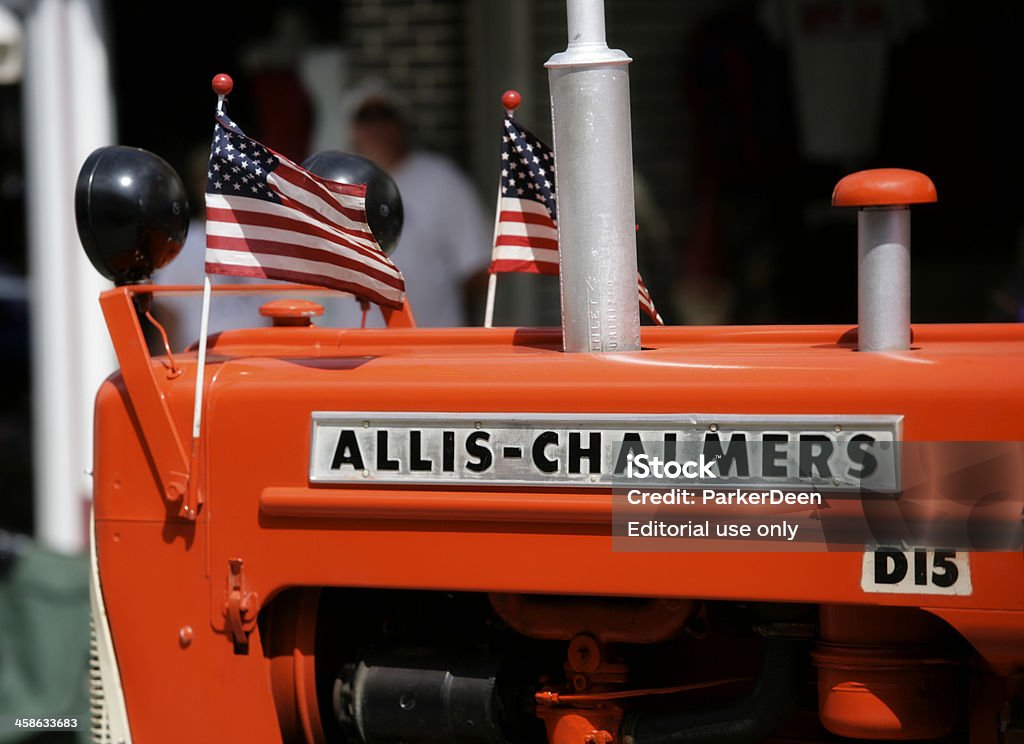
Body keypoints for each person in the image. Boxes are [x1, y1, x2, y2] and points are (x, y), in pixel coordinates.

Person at [342, 83, 491, 328]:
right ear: (352, 128)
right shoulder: (336, 180)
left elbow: (476, 265)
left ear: (402, 123)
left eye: (385, 116)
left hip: (429, 345)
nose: (376, 127)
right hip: (350, 347)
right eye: (366, 118)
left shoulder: (441, 178)